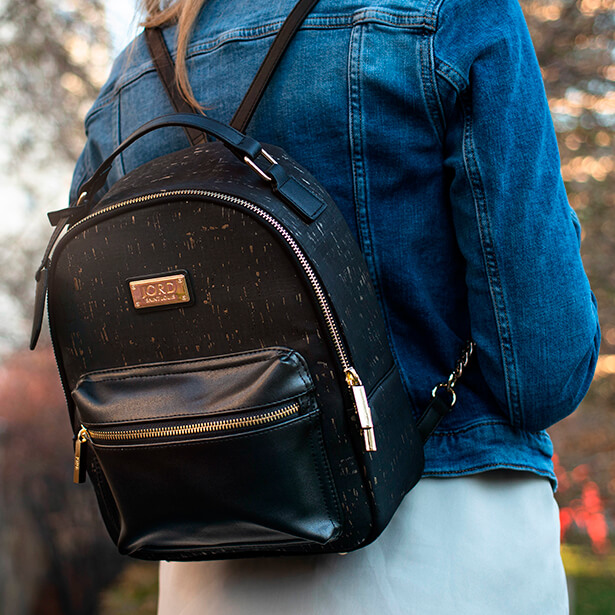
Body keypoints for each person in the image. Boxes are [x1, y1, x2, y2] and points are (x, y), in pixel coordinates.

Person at [71, 0, 600, 612]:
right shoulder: (453, 13)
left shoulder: (132, 74)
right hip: (447, 542)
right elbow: (543, 373)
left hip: (208, 564)